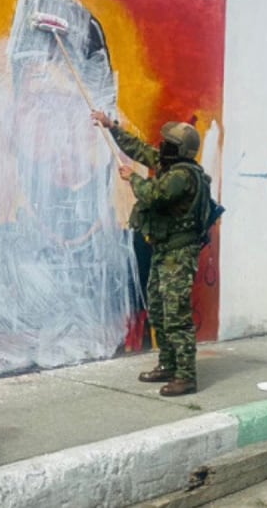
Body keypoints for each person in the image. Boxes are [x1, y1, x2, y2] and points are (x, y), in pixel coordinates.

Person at [91, 111, 212, 396]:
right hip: (164, 250)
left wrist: (132, 179)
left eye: (169, 142)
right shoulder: (170, 165)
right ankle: (167, 365)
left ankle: (186, 375)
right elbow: (140, 149)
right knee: (158, 309)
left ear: (180, 149)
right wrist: (112, 128)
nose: (162, 145)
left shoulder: (183, 175)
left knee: (176, 315)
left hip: (179, 255)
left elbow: (155, 194)